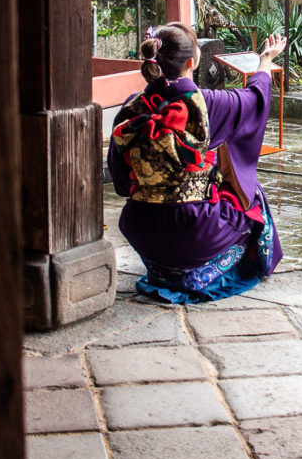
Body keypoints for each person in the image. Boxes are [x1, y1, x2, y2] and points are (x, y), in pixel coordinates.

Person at [107, 21, 286, 303]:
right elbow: (255, 98)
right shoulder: (209, 103)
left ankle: (162, 269)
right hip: (194, 229)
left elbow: (120, 179)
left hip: (140, 226)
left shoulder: (132, 105)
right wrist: (265, 61)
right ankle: (201, 272)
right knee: (254, 198)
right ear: (191, 61)